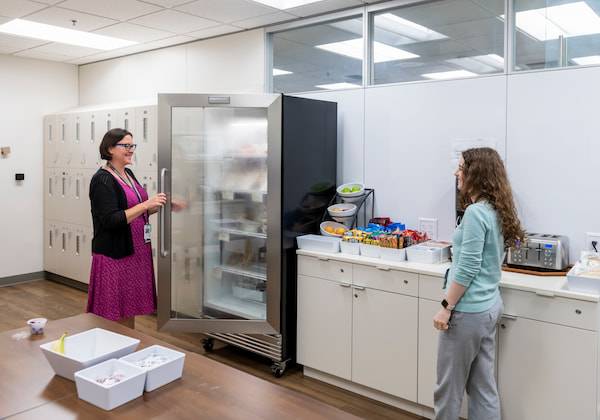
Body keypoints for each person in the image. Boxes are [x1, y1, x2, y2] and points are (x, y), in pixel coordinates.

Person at [433, 147, 525, 420]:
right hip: (489, 306)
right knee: (483, 387)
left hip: (468, 311)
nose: (456, 173)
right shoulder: (495, 209)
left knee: (448, 389)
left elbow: (468, 267)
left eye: (461, 168)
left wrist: (446, 306)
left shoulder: (474, 213)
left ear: (476, 174)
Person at [87, 128, 167, 329]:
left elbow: (139, 210)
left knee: (128, 309)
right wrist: (145, 205)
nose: (131, 150)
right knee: (112, 314)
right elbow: (111, 220)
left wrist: (161, 204)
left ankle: (125, 350)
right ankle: (109, 353)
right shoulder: (103, 179)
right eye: (126, 146)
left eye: (133, 146)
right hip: (116, 254)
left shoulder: (128, 174)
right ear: (110, 149)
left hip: (135, 253)